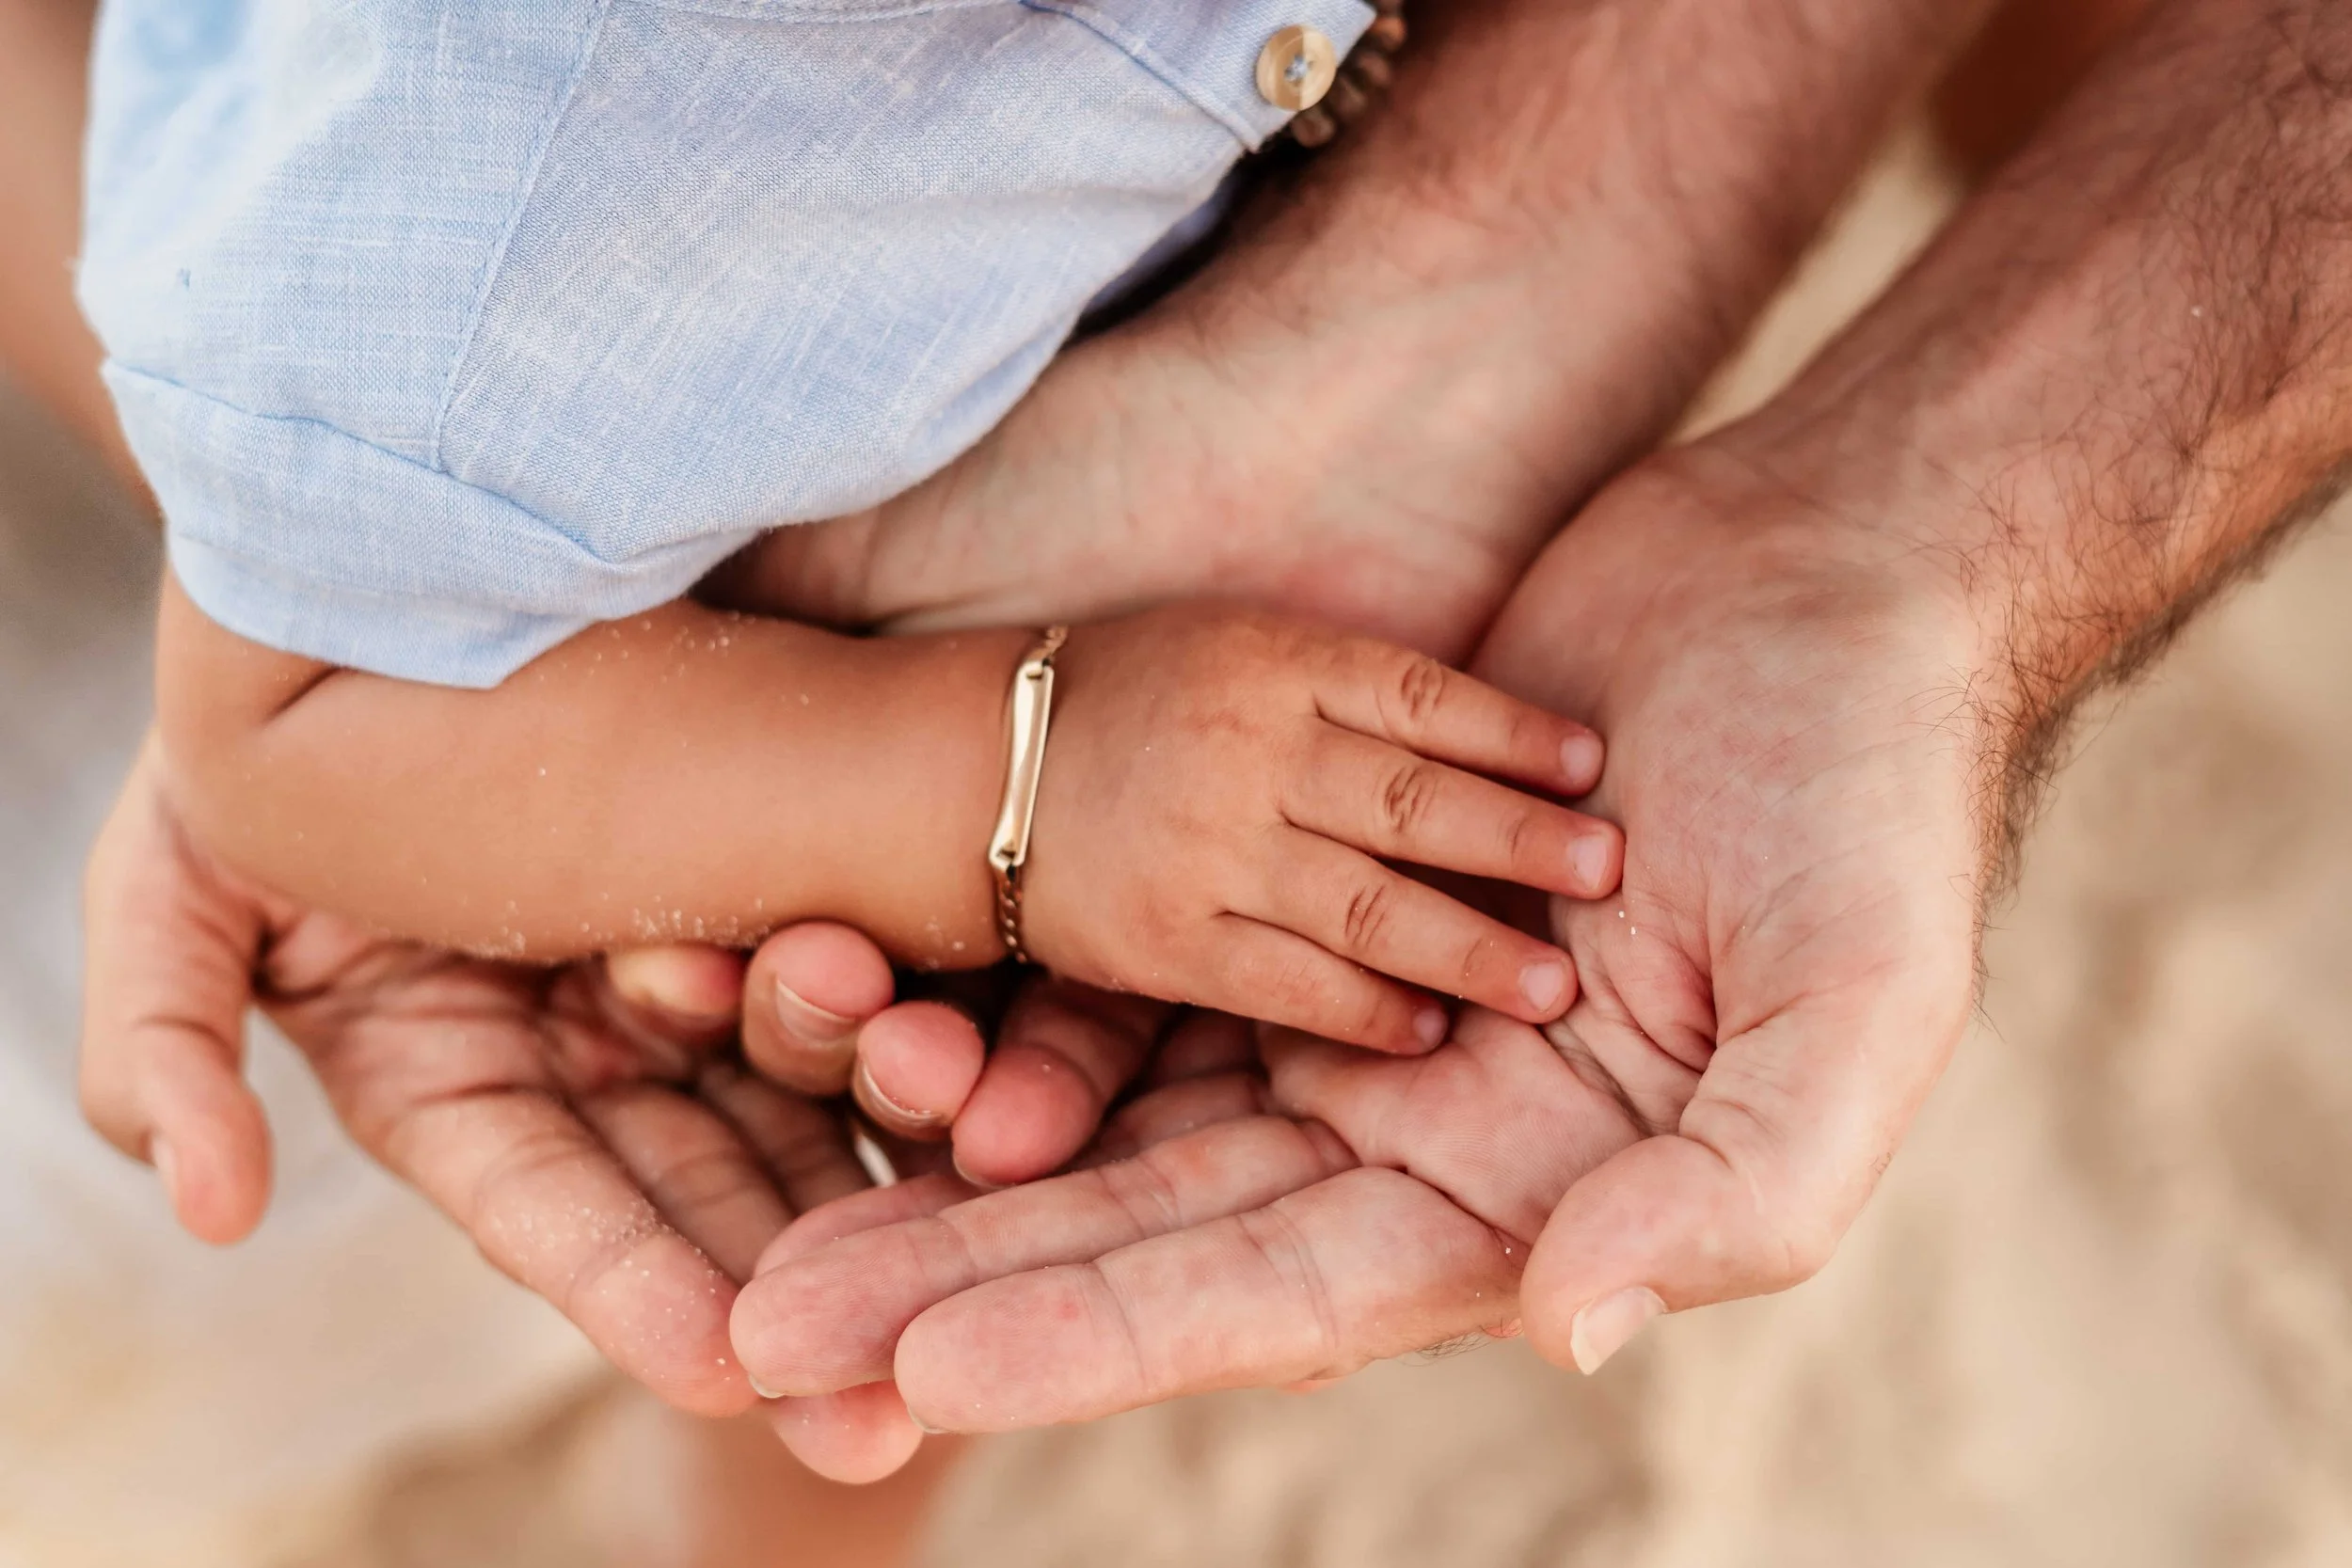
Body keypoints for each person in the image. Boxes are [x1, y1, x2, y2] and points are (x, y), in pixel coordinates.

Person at [90, 0, 2332, 1487]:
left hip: (1176, 211)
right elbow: (282, 720)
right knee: (864, 1225)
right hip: (725, 569)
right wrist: (1014, 777)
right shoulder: (456, 265)